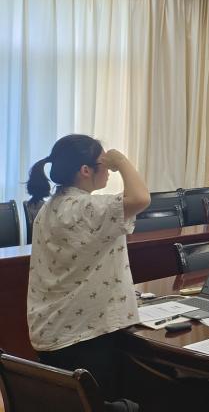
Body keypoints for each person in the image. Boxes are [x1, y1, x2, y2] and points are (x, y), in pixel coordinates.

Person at [26, 134, 150, 401]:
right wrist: (121, 160)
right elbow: (141, 197)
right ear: (85, 170)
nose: (108, 169)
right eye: (103, 163)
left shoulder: (50, 207)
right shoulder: (88, 208)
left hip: (53, 329)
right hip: (84, 336)